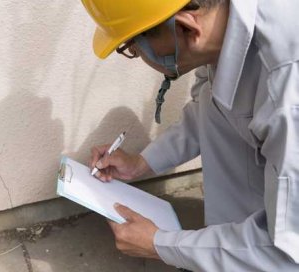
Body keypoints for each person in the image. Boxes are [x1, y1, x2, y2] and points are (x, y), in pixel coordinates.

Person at [82, 0, 299, 271]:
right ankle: (230, 251)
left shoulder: (288, 93)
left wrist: (160, 245)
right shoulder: (225, 26)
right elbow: (211, 108)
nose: (137, 54)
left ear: (185, 27)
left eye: (132, 46)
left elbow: (288, 252)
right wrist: (141, 162)